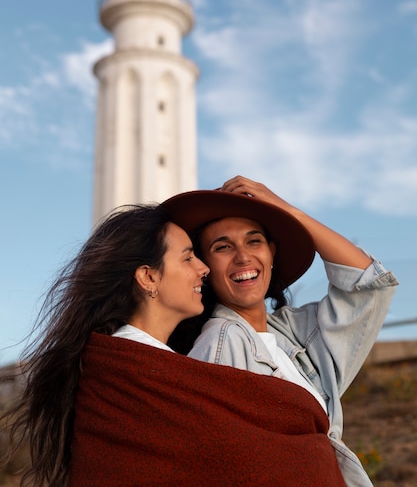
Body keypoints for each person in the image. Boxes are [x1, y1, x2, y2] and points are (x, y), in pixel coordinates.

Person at [2, 202, 346, 487]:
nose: (203, 269)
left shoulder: (163, 366)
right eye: (187, 258)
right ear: (149, 277)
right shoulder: (125, 373)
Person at [163, 175, 399, 487]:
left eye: (254, 241)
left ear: (272, 252)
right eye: (223, 247)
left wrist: (287, 210)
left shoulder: (292, 334)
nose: (243, 256)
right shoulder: (222, 342)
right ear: (204, 267)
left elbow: (368, 287)